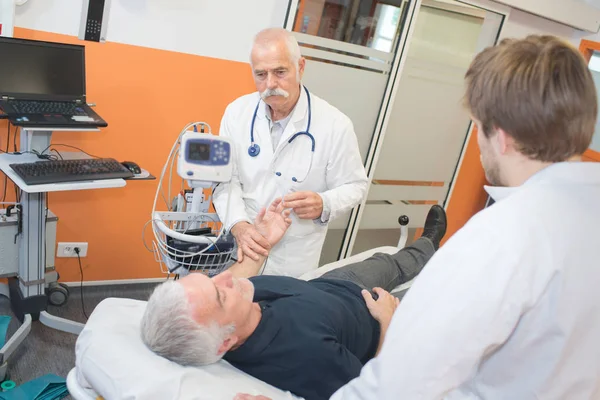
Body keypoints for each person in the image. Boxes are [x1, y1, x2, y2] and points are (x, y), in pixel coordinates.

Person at [298, 35, 600, 399]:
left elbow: (397, 388)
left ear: (501, 137)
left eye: (477, 125)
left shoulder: (501, 238)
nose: (478, 139)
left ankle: (426, 243)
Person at [140, 201, 447, 400]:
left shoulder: (233, 311)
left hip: (331, 288)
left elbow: (235, 278)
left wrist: (264, 241)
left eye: (210, 279)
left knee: (390, 261)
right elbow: (371, 390)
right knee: (440, 292)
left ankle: (428, 242)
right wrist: (388, 325)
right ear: (224, 343)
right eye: (220, 293)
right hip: (371, 316)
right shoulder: (305, 357)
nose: (226, 278)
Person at [212, 27, 368, 278]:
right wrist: (239, 226)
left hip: (296, 254)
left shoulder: (335, 124)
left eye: (280, 72)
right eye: (260, 74)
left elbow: (355, 186)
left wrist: (325, 203)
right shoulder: (236, 113)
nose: (270, 84)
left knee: (284, 313)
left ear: (301, 66)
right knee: (236, 310)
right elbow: (224, 181)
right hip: (245, 244)